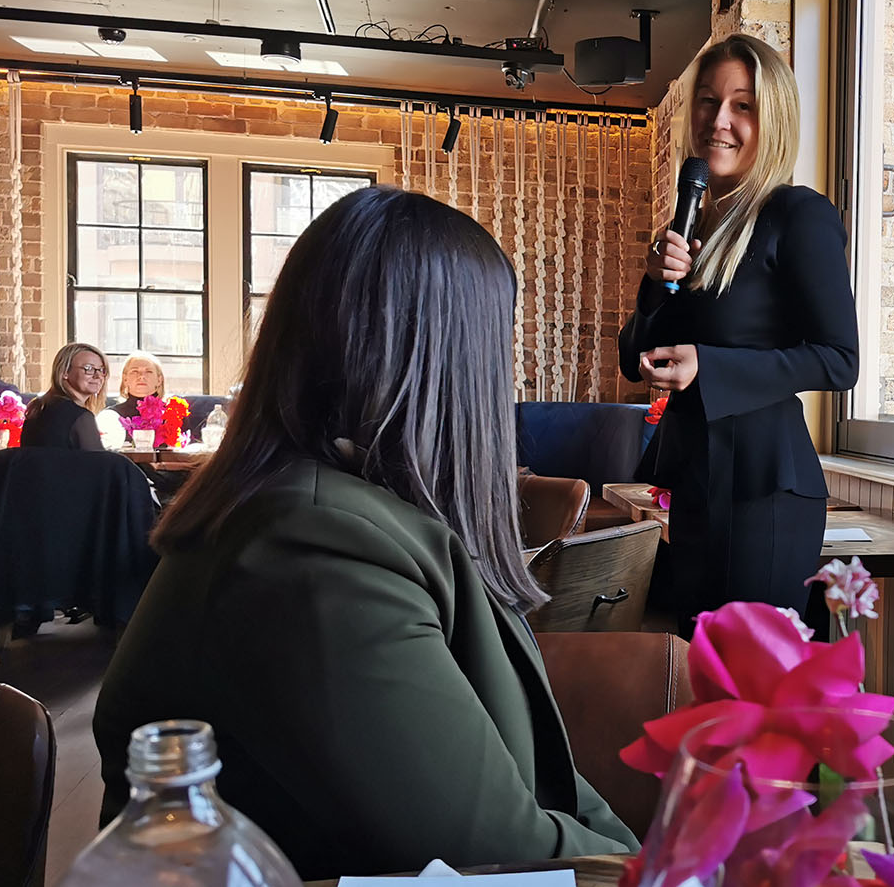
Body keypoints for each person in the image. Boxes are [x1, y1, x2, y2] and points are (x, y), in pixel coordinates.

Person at [92, 186, 638, 880]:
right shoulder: (311, 548)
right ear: (450, 360)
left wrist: (643, 859)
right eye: (498, 343)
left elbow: (545, 785)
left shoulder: (327, 513)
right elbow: (498, 855)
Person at [619, 34, 858, 630]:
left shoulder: (797, 215)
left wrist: (710, 366)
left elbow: (839, 359)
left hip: (764, 489)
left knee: (751, 689)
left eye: (742, 105)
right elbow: (633, 357)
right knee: (700, 679)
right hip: (691, 481)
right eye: (706, 101)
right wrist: (655, 284)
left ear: (770, 119)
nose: (718, 120)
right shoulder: (692, 222)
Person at [20, 343, 109, 450]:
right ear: (65, 372)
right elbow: (99, 463)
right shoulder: (80, 416)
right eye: (88, 368)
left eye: (101, 370)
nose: (98, 376)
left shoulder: (38, 406)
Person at [110, 351, 166, 421]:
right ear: (125, 379)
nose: (141, 376)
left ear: (159, 380)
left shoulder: (175, 414)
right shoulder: (111, 416)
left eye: (148, 371)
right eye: (135, 371)